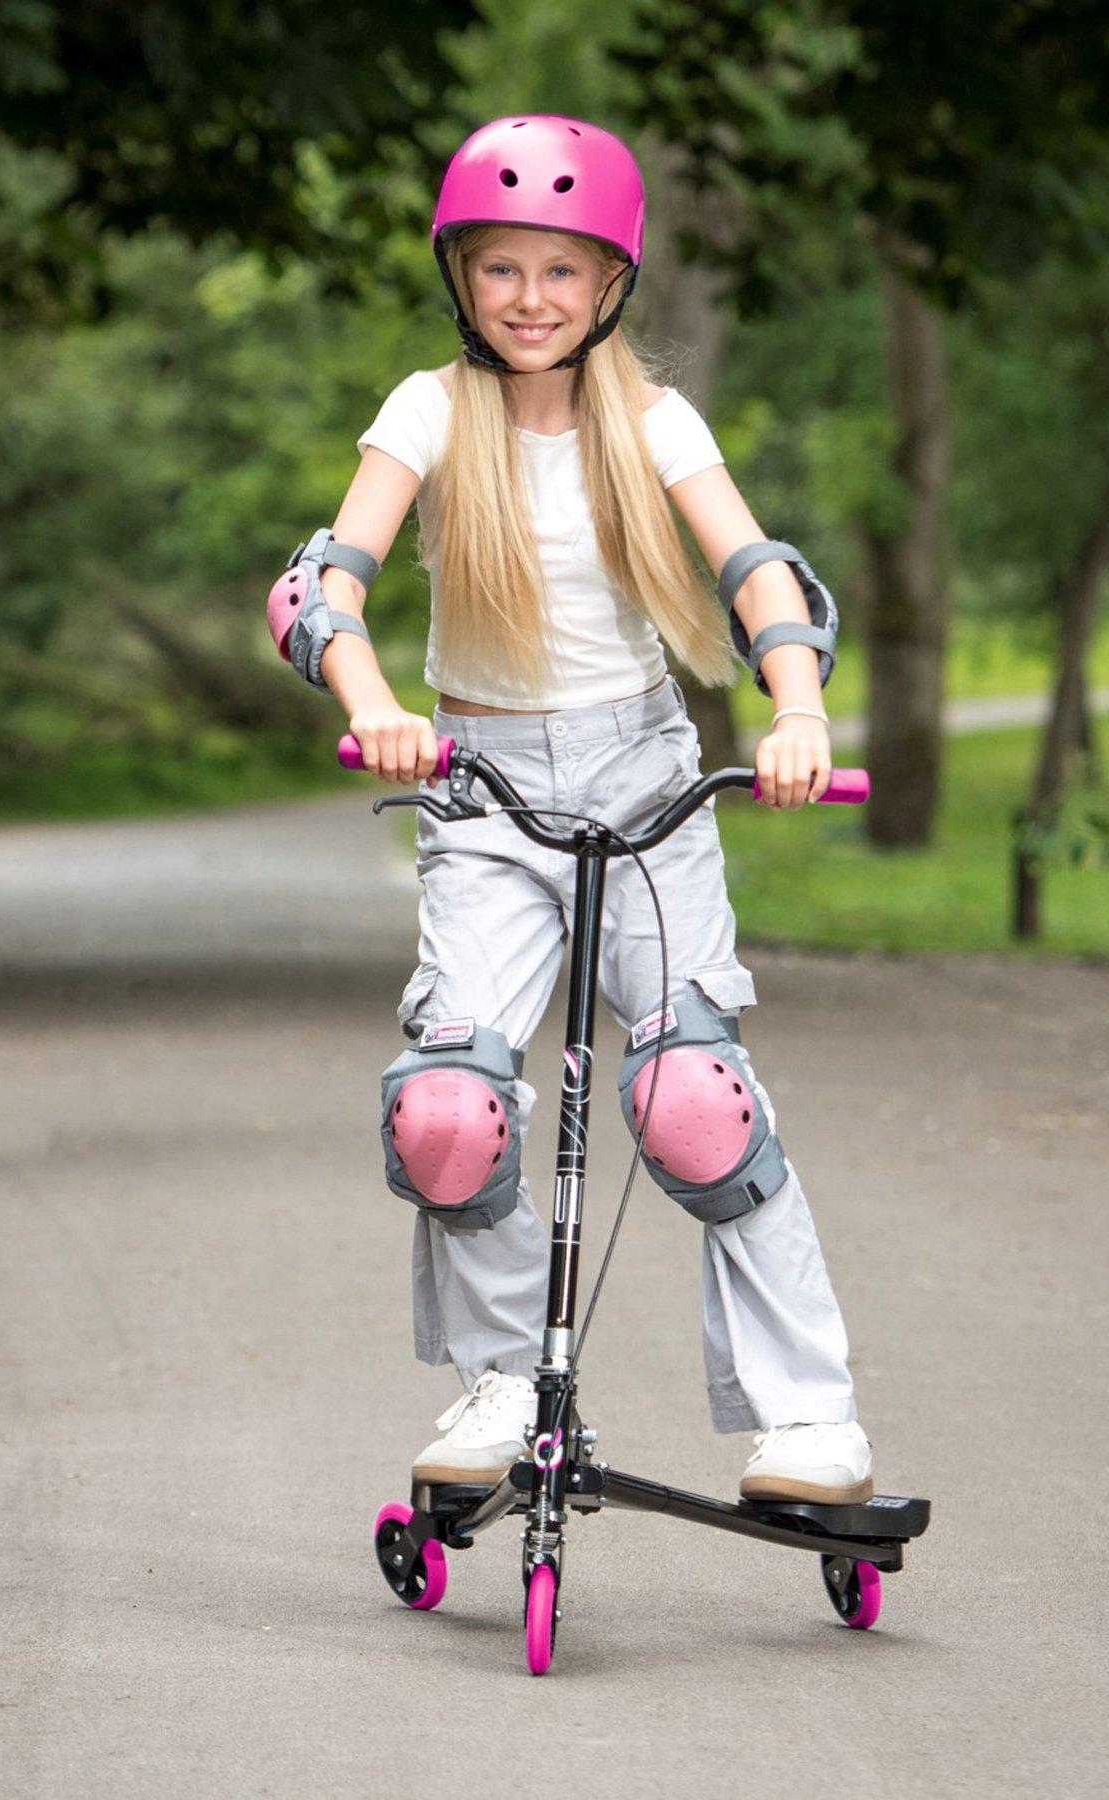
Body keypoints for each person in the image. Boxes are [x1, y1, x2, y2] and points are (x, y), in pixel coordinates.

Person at [271, 114, 873, 1505]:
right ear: (459, 277)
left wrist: (796, 710)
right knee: (446, 1111)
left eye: (561, 269)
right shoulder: (428, 411)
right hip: (476, 783)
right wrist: (370, 696)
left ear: (610, 284)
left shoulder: (652, 420)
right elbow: (320, 584)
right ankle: (493, 1383)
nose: (529, 298)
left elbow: (759, 571)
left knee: (691, 1100)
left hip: (647, 777)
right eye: (500, 269)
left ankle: (808, 1417)